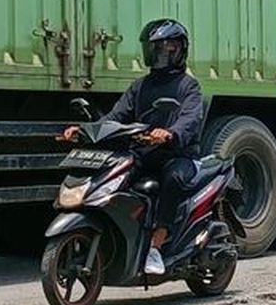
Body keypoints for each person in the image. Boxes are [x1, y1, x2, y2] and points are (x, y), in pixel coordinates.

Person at [61, 19, 204, 276]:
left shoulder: (188, 86)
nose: (159, 54)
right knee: (113, 174)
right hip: (144, 153)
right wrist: (84, 132)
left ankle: (156, 247)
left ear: (179, 50)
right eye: (154, 49)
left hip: (178, 155)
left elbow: (190, 120)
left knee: (172, 179)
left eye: (165, 49)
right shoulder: (140, 86)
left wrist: (170, 134)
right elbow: (115, 118)